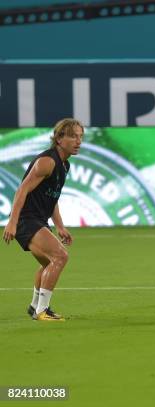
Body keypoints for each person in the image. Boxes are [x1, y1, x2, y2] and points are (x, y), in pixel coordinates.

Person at [3, 118, 83, 322]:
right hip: (26, 219)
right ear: (58, 138)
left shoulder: (64, 164)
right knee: (60, 257)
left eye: (81, 136)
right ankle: (42, 310)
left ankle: (34, 306)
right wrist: (12, 222)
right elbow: (22, 190)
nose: (78, 141)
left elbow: (52, 196)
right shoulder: (47, 162)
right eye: (73, 136)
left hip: (36, 219)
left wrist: (60, 226)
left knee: (49, 262)